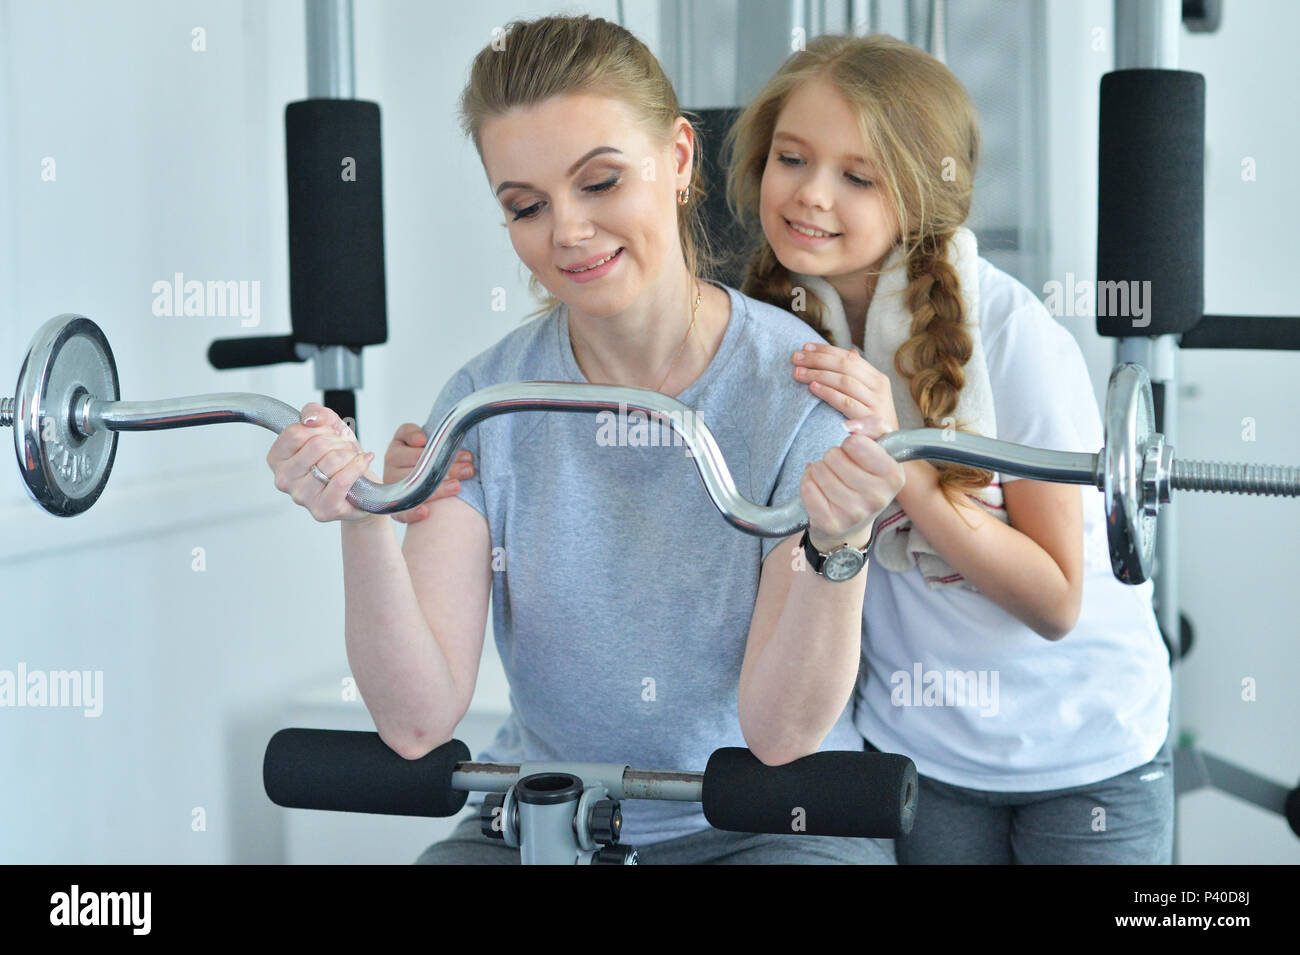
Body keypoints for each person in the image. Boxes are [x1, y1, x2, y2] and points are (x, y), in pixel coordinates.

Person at [265, 14, 905, 865]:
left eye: (600, 183)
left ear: (678, 159)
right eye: (526, 205)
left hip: (768, 822)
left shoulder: (799, 394)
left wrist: (839, 543)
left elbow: (781, 734)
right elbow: (417, 720)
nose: (565, 230)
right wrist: (361, 516)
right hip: (548, 818)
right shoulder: (482, 404)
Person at [724, 33, 1173, 864]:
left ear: (920, 198)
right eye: (793, 158)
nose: (812, 196)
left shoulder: (1014, 334)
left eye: (858, 177)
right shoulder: (774, 330)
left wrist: (906, 472)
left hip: (1086, 753)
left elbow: (1054, 601)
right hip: (922, 752)